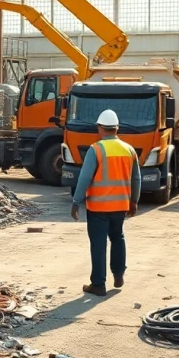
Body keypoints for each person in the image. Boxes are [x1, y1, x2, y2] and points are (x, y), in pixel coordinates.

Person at [70, 109, 141, 296]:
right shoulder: (129, 150)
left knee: (98, 244)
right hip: (120, 206)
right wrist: (134, 201)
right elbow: (137, 180)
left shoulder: (96, 149)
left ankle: (98, 284)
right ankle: (118, 274)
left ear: (100, 128)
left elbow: (84, 178)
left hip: (98, 206)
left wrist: (76, 201)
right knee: (118, 237)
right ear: (117, 129)